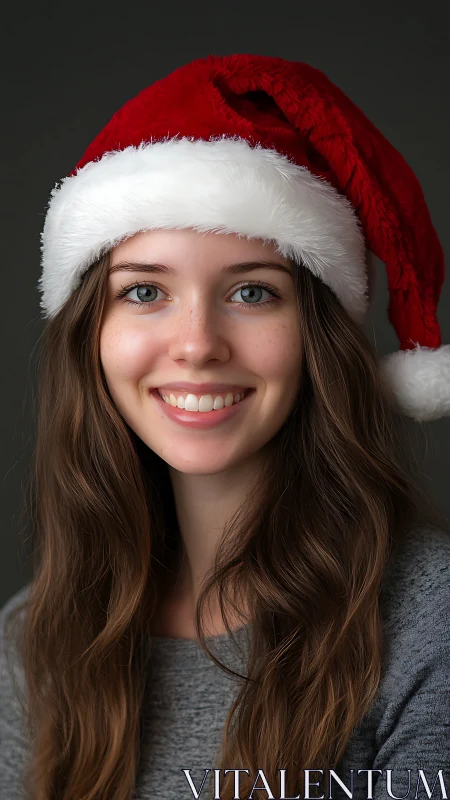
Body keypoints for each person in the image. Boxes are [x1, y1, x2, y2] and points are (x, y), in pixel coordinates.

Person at [1, 53, 449, 800]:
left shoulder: (429, 620)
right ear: (92, 335)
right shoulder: (30, 643)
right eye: (145, 290)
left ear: (317, 336)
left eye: (251, 291)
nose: (198, 343)